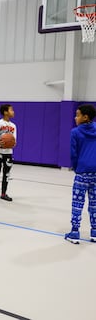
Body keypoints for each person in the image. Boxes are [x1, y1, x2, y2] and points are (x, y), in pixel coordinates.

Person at [65, 104, 96, 244]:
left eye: (77, 115)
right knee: (94, 204)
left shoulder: (75, 132)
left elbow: (73, 154)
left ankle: (75, 232)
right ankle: (94, 231)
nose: (75, 117)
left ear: (85, 117)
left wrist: (77, 168)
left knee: (77, 202)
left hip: (82, 172)